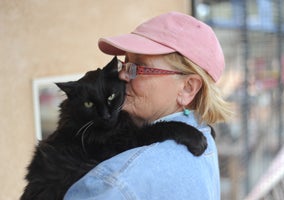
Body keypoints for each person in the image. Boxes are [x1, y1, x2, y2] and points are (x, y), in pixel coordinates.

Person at [64, 11, 232, 200]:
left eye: (138, 67)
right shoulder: (204, 138)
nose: (122, 75)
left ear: (187, 88)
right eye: (125, 63)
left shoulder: (113, 183)